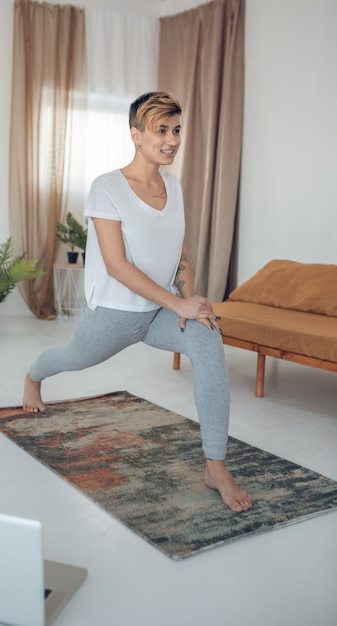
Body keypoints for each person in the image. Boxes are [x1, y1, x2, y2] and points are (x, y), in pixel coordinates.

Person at [23, 91, 252, 513]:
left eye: (176, 130)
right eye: (160, 130)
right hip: (113, 314)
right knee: (71, 359)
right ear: (136, 134)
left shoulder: (175, 186)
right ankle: (34, 377)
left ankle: (215, 466)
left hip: (159, 312)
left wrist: (191, 303)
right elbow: (115, 265)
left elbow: (179, 251)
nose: (171, 139)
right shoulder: (107, 187)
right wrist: (178, 305)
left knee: (208, 341)